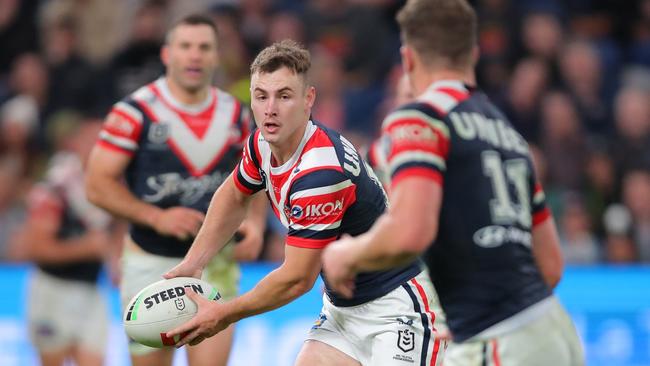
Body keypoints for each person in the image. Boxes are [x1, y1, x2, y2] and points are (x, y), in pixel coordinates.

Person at [321, 1, 585, 365]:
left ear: (408, 58)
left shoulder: (421, 118)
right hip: (553, 333)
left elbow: (410, 232)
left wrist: (347, 254)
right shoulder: (508, 134)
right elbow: (551, 266)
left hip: (496, 339)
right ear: (473, 53)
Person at [164, 39, 447, 366]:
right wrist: (193, 263)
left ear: (308, 99)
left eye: (284, 96)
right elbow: (234, 192)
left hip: (399, 309)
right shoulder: (263, 141)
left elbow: (297, 279)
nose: (270, 109)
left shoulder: (319, 173)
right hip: (343, 311)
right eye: (261, 96)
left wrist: (224, 314)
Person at [85, 14, 266, 366]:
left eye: (204, 47)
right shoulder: (134, 112)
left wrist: (256, 223)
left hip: (216, 262)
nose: (195, 56)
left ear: (216, 56)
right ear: (167, 54)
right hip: (151, 262)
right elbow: (96, 184)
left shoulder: (237, 115)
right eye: (185, 47)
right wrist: (155, 216)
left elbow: (254, 176)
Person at [14, 118, 118, 366]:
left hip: (92, 291)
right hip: (53, 291)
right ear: (76, 144)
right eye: (92, 141)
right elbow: (35, 248)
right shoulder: (55, 188)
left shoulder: (111, 185)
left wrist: (115, 259)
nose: (98, 148)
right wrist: (86, 248)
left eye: (104, 142)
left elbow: (115, 233)